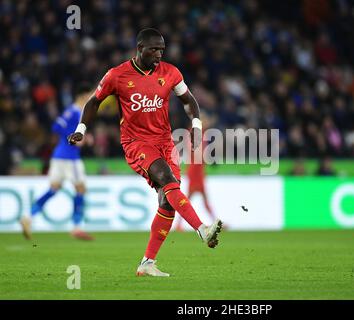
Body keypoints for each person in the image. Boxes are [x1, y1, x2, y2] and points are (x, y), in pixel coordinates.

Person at [67, 28, 223, 277]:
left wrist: (195, 126)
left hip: (165, 142)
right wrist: (81, 128)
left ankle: (147, 263)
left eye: (162, 49)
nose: (159, 54)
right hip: (136, 143)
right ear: (139, 49)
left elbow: (189, 100)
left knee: (167, 202)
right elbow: (94, 101)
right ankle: (202, 229)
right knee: (169, 181)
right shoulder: (117, 75)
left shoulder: (170, 72)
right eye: (154, 49)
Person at [20, 83, 95, 241]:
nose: (91, 98)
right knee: (80, 189)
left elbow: (57, 127)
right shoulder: (76, 112)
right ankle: (76, 226)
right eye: (90, 95)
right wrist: (76, 138)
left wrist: (73, 136)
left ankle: (28, 216)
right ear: (82, 96)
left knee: (54, 188)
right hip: (70, 158)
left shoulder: (71, 111)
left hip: (58, 156)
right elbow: (58, 128)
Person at [174, 113, 217, 231]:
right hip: (195, 171)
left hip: (198, 170)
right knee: (191, 200)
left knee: (197, 199)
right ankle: (178, 224)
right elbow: (195, 152)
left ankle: (179, 224)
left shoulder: (199, 134)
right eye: (205, 120)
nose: (207, 122)